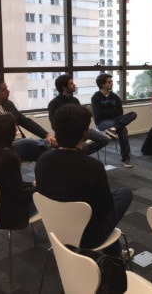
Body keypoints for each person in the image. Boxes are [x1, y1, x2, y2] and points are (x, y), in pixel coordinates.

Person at [35, 104, 133, 257]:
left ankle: (116, 253)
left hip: (55, 228)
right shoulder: (93, 167)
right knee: (124, 193)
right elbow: (105, 209)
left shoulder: (43, 159)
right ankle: (115, 257)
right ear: (84, 133)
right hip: (88, 237)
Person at [0, 77, 56, 162]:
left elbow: (25, 121)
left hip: (17, 144)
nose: (8, 91)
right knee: (28, 143)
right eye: (4, 90)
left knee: (48, 153)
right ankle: (48, 143)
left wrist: (47, 135)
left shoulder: (9, 104)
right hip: (0, 148)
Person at [47, 74, 109, 156]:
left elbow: (82, 117)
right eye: (71, 84)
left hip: (81, 130)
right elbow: (54, 125)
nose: (74, 85)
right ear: (64, 87)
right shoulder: (54, 103)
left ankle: (80, 153)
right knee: (79, 146)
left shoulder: (75, 100)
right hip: (66, 134)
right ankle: (79, 153)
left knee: (104, 140)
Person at [91, 73, 137, 168]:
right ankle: (126, 158)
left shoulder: (114, 96)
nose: (112, 83)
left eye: (111, 82)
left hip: (116, 120)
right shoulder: (96, 97)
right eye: (109, 82)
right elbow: (99, 114)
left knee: (133, 114)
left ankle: (114, 128)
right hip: (102, 123)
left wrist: (108, 112)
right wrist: (112, 111)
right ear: (102, 84)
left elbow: (120, 111)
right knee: (123, 129)